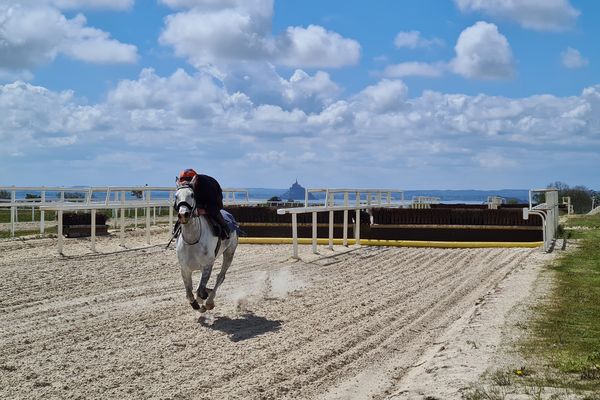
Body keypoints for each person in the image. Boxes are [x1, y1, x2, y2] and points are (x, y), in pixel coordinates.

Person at [176, 169, 230, 239]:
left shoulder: (207, 186)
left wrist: (204, 211)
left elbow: (216, 206)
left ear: (195, 180)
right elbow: (177, 205)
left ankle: (225, 230)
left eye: (188, 182)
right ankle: (176, 231)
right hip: (194, 196)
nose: (185, 184)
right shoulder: (184, 189)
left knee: (215, 213)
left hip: (213, 196)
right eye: (183, 182)